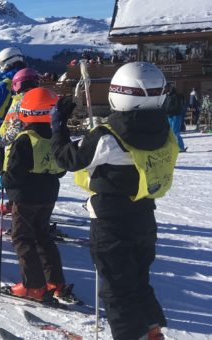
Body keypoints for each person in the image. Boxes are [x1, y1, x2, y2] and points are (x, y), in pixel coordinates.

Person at [51, 62, 177, 340]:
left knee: (116, 288)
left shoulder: (107, 136)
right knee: (137, 280)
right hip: (144, 216)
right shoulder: (163, 130)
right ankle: (151, 332)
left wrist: (58, 126)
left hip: (111, 223)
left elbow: (68, 158)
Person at [0, 87, 72, 302]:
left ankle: (34, 286)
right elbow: (62, 168)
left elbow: (15, 174)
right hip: (48, 194)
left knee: (22, 238)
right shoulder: (56, 137)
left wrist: (3, 180)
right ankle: (55, 282)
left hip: (26, 196)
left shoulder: (25, 139)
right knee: (42, 236)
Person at [0, 68, 42, 216]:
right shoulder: (41, 98)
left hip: (17, 147)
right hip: (38, 148)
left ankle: (20, 216)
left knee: (16, 180)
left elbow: (15, 128)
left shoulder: (21, 101)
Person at [163, 87, 187, 152]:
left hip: (174, 116)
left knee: (174, 132)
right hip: (172, 116)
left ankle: (180, 147)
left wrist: (167, 111)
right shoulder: (168, 97)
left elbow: (177, 106)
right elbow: (165, 106)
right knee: (172, 133)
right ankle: (174, 147)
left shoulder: (172, 97)